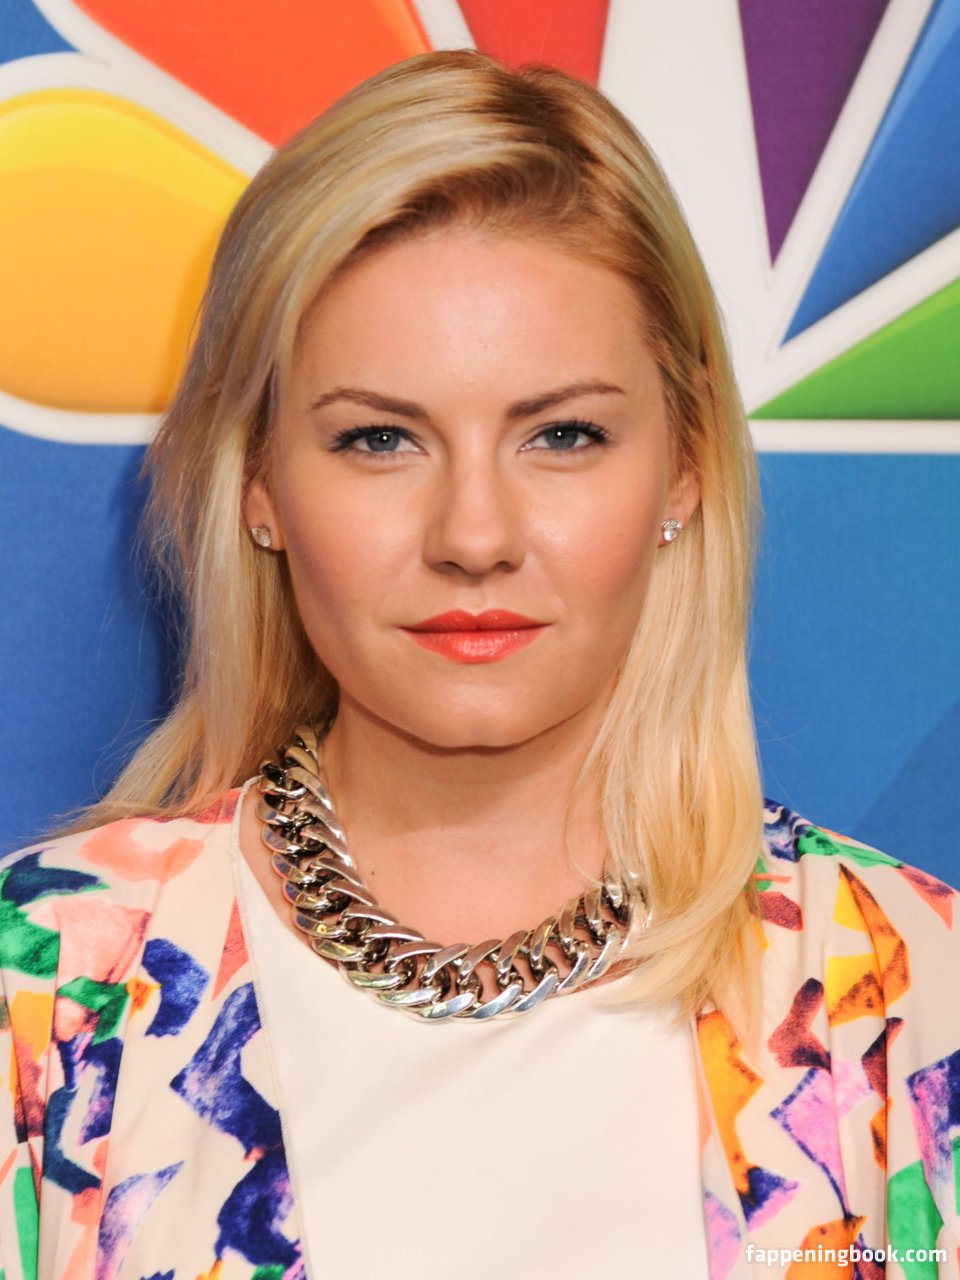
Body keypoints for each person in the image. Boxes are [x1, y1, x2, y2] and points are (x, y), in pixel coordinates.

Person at [1, 49, 957, 1280]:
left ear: (684, 467)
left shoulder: (913, 993)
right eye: (379, 439)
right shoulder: (46, 996)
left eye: (563, 434)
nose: (474, 535)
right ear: (258, 482)